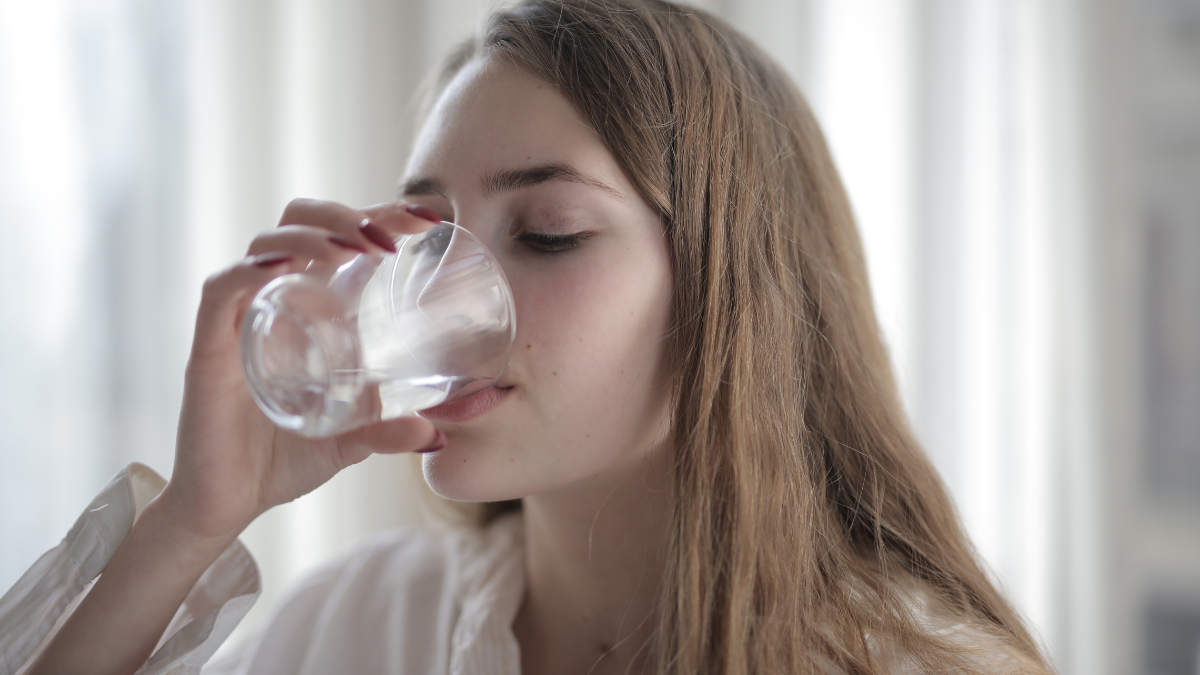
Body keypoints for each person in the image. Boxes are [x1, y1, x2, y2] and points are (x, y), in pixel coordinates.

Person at [0, 1, 1055, 673]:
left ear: (736, 292)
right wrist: (191, 520)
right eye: (427, 237)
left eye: (547, 234)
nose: (443, 301)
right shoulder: (368, 624)